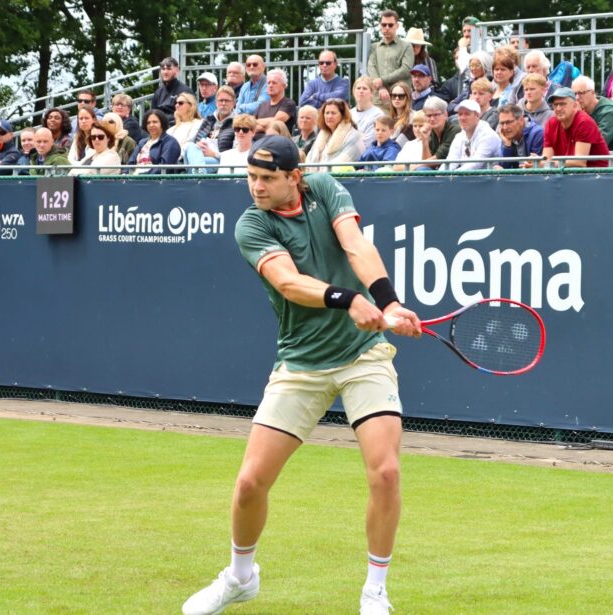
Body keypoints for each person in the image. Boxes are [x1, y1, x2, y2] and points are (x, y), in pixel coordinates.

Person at [181, 134, 420, 615]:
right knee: (250, 483)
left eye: (267, 178)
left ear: (296, 177)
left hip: (362, 356)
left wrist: (388, 300)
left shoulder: (326, 188)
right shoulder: (252, 225)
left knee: (386, 470)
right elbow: (289, 284)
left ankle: (375, 591)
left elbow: (355, 245)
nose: (256, 187)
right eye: (251, 177)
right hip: (300, 361)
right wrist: (350, 299)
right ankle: (240, 578)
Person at [541, 87, 610, 168]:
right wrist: (536, 163)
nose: (558, 108)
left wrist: (549, 164)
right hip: (570, 175)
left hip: (601, 175)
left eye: (562, 104)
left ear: (575, 105)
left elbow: (579, 163)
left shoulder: (584, 122)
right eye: (555, 105)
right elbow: (546, 158)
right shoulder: (551, 124)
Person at [183, 86, 238, 171]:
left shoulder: (237, 123)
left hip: (220, 161)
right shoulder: (208, 120)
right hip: (199, 157)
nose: (223, 103)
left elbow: (237, 154)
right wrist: (198, 145)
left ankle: (199, 174)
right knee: (190, 146)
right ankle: (200, 174)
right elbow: (193, 143)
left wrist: (213, 154)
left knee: (193, 165)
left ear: (234, 103)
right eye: (220, 100)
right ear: (216, 103)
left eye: (227, 101)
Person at [366, 9, 413, 107]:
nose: (387, 28)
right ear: (380, 26)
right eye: (384, 25)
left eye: (390, 25)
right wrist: (381, 87)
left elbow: (406, 69)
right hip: (378, 100)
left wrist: (382, 80)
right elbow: (371, 68)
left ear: (397, 26)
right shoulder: (374, 47)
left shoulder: (406, 46)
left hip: (400, 99)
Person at [306, 98, 365, 172]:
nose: (329, 116)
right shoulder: (321, 136)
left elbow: (340, 165)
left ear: (343, 115)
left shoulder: (353, 137)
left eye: (333, 113)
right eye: (327, 113)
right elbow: (308, 161)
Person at [444, 100, 501, 170]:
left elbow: (475, 165)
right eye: (460, 114)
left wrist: (451, 175)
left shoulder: (488, 135)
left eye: (467, 114)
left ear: (477, 116)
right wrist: (439, 176)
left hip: (489, 179)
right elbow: (450, 162)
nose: (462, 118)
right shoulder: (459, 136)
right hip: (468, 178)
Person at [573, 76, 613, 151]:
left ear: (592, 92)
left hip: (612, 158)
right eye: (575, 94)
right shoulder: (579, 111)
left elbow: (596, 144)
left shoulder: (609, 113)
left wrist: (579, 117)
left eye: (581, 93)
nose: (577, 97)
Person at [128, 109, 182, 174]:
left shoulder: (170, 142)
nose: (151, 125)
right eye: (148, 123)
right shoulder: (142, 142)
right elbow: (131, 163)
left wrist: (144, 176)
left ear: (162, 123)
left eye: (155, 122)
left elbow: (164, 167)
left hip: (154, 180)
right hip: (134, 178)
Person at [495, 104, 543, 168]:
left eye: (509, 122)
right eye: (502, 123)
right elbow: (504, 168)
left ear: (521, 120)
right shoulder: (506, 136)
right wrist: (507, 145)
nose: (505, 127)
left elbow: (534, 168)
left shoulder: (537, 133)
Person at [419, 96, 461, 165]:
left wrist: (411, 167)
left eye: (436, 115)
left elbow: (435, 160)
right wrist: (425, 141)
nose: (432, 119)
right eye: (429, 115)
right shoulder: (430, 132)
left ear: (445, 115)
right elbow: (427, 164)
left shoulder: (455, 131)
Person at [255, 69, 298, 134]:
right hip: (257, 142)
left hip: (278, 142)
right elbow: (251, 125)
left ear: (284, 85)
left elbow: (275, 122)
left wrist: (256, 122)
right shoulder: (262, 105)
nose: (270, 85)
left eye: (274, 83)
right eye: (268, 83)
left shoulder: (289, 104)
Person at [351, 77, 385, 149]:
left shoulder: (378, 115)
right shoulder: (349, 113)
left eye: (364, 88)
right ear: (354, 92)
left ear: (371, 93)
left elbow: (367, 143)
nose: (361, 91)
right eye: (358, 88)